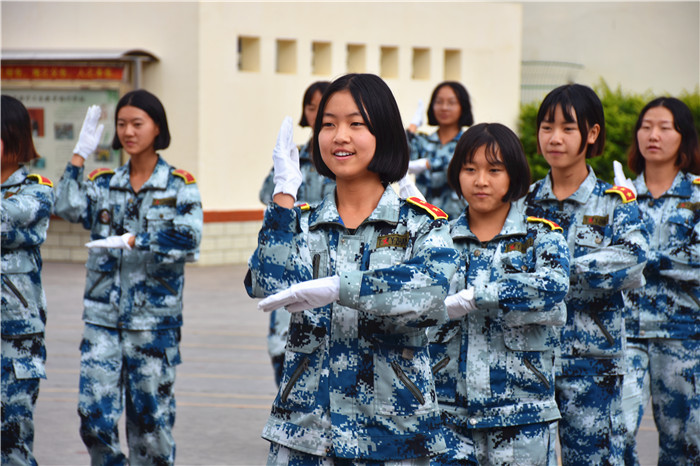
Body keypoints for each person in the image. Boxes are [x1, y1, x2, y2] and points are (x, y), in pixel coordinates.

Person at [245, 73, 459, 464]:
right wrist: (283, 198)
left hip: (393, 435)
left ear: (385, 134)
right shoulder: (301, 223)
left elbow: (430, 295)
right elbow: (265, 283)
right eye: (328, 124)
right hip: (306, 433)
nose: (339, 136)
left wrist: (341, 287)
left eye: (356, 124)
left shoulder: (421, 224)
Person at [54, 89, 203, 465]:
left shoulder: (179, 185)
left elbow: (190, 237)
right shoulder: (105, 182)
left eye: (137, 123)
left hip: (153, 325)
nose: (128, 132)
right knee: (94, 419)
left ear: (157, 128)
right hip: (103, 322)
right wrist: (79, 156)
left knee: (151, 426)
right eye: (121, 124)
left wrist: (138, 240)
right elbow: (66, 206)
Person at [428, 123, 570, 466]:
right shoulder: (436, 238)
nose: (481, 181)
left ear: (514, 174)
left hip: (521, 412)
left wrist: (480, 296)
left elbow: (554, 284)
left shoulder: (541, 236)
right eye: (470, 169)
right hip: (448, 413)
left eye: (494, 170)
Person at [522, 83, 648, 465]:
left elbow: (633, 258)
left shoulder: (613, 203)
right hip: (529, 359)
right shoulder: (522, 202)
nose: (554, 138)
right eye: (546, 127)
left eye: (567, 128)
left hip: (592, 364)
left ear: (592, 134)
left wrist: (558, 271)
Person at [615, 97, 700, 465]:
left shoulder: (697, 195)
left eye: (665, 127)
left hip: (683, 336)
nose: (654, 135)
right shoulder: (620, 196)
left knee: (685, 444)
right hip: (624, 335)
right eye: (646, 126)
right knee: (615, 434)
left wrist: (641, 257)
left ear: (684, 137)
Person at [258, 80, 336, 386]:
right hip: (292, 262)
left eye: (325, 107)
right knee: (283, 351)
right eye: (312, 107)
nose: (317, 114)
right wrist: (285, 179)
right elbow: (267, 193)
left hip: (333, 268)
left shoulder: (345, 157)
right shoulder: (295, 155)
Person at [1, 95, 56, 466]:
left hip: (15, 338)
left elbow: (6, 218)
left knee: (11, 443)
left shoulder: (36, 190)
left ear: (14, 136)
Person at [406, 81, 474, 219]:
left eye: (451, 102)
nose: (444, 107)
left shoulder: (470, 143)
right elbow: (399, 154)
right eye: (439, 102)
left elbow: (454, 166)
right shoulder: (423, 142)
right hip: (423, 220)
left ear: (463, 106)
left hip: (457, 220)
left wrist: (428, 163)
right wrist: (413, 127)